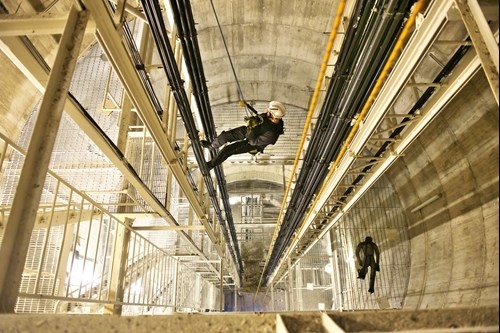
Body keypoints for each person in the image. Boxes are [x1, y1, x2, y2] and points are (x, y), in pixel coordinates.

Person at [201, 101, 286, 169]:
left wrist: (251, 127)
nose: (267, 110)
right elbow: (260, 117)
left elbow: (253, 141)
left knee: (227, 150)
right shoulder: (269, 117)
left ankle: (209, 166)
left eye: (269, 111)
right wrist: (248, 107)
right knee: (224, 136)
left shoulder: (272, 135)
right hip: (250, 131)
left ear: (273, 116)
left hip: (253, 144)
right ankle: (211, 147)